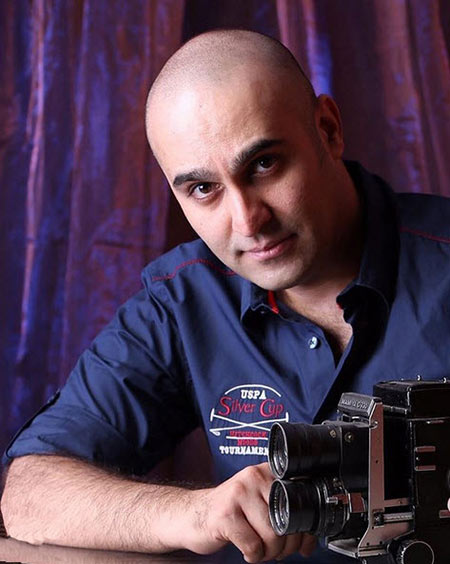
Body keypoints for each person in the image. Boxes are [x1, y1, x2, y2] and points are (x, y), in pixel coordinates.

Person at [2, 29, 450, 564]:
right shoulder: (183, 300)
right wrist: (198, 513)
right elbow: (27, 495)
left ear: (328, 130)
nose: (247, 221)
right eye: (203, 189)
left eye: (264, 164)